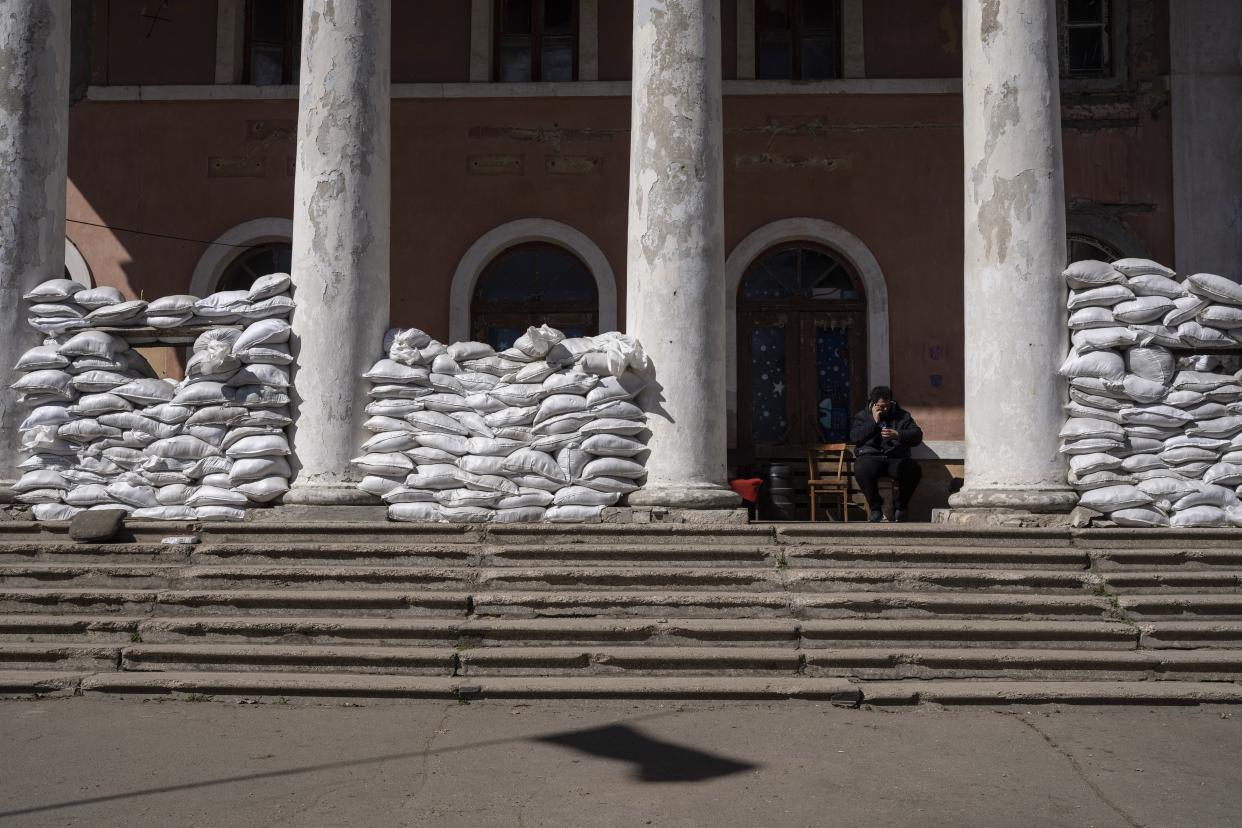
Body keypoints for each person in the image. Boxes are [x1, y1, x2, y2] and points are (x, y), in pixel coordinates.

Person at [849, 386, 924, 522]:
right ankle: (876, 508)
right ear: (873, 403)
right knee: (861, 467)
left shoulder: (902, 416)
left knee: (913, 469)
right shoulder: (862, 416)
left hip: (895, 458)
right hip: (871, 457)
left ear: (891, 401)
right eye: (880, 407)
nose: (884, 409)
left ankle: (901, 506)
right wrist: (874, 422)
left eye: (886, 406)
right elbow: (855, 437)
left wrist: (898, 434)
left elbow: (917, 436)